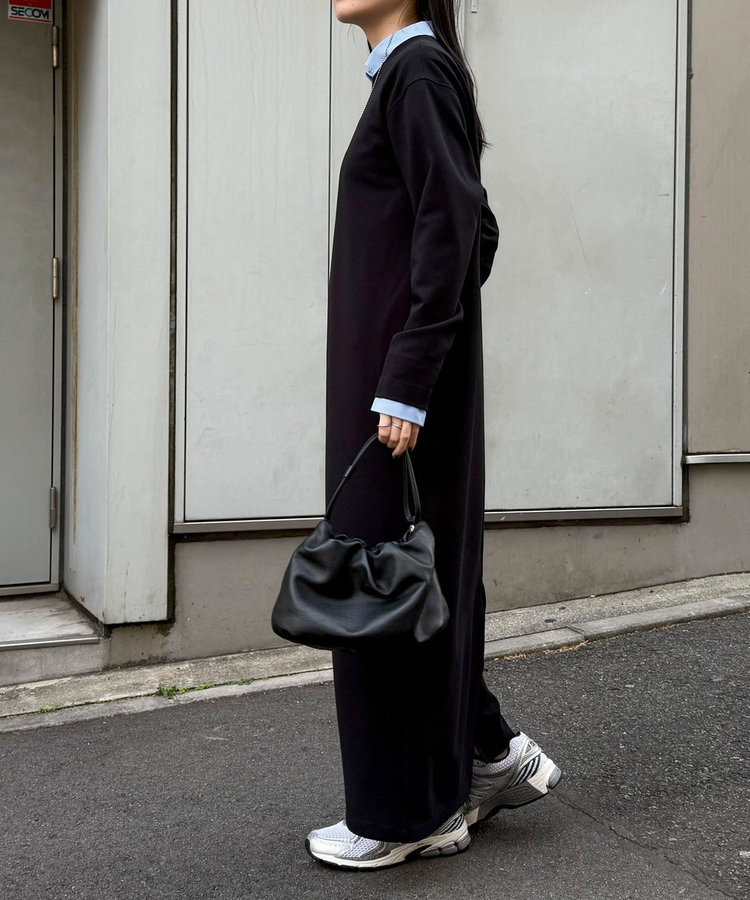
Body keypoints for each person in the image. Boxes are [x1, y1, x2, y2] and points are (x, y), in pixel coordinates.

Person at [308, 0, 562, 869]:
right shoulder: (413, 75)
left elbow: (455, 227)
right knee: (420, 581)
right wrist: (422, 351)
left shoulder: (415, 72)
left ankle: (407, 816)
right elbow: (472, 225)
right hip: (402, 394)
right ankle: (482, 754)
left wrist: (411, 372)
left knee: (383, 585)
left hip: (398, 402)